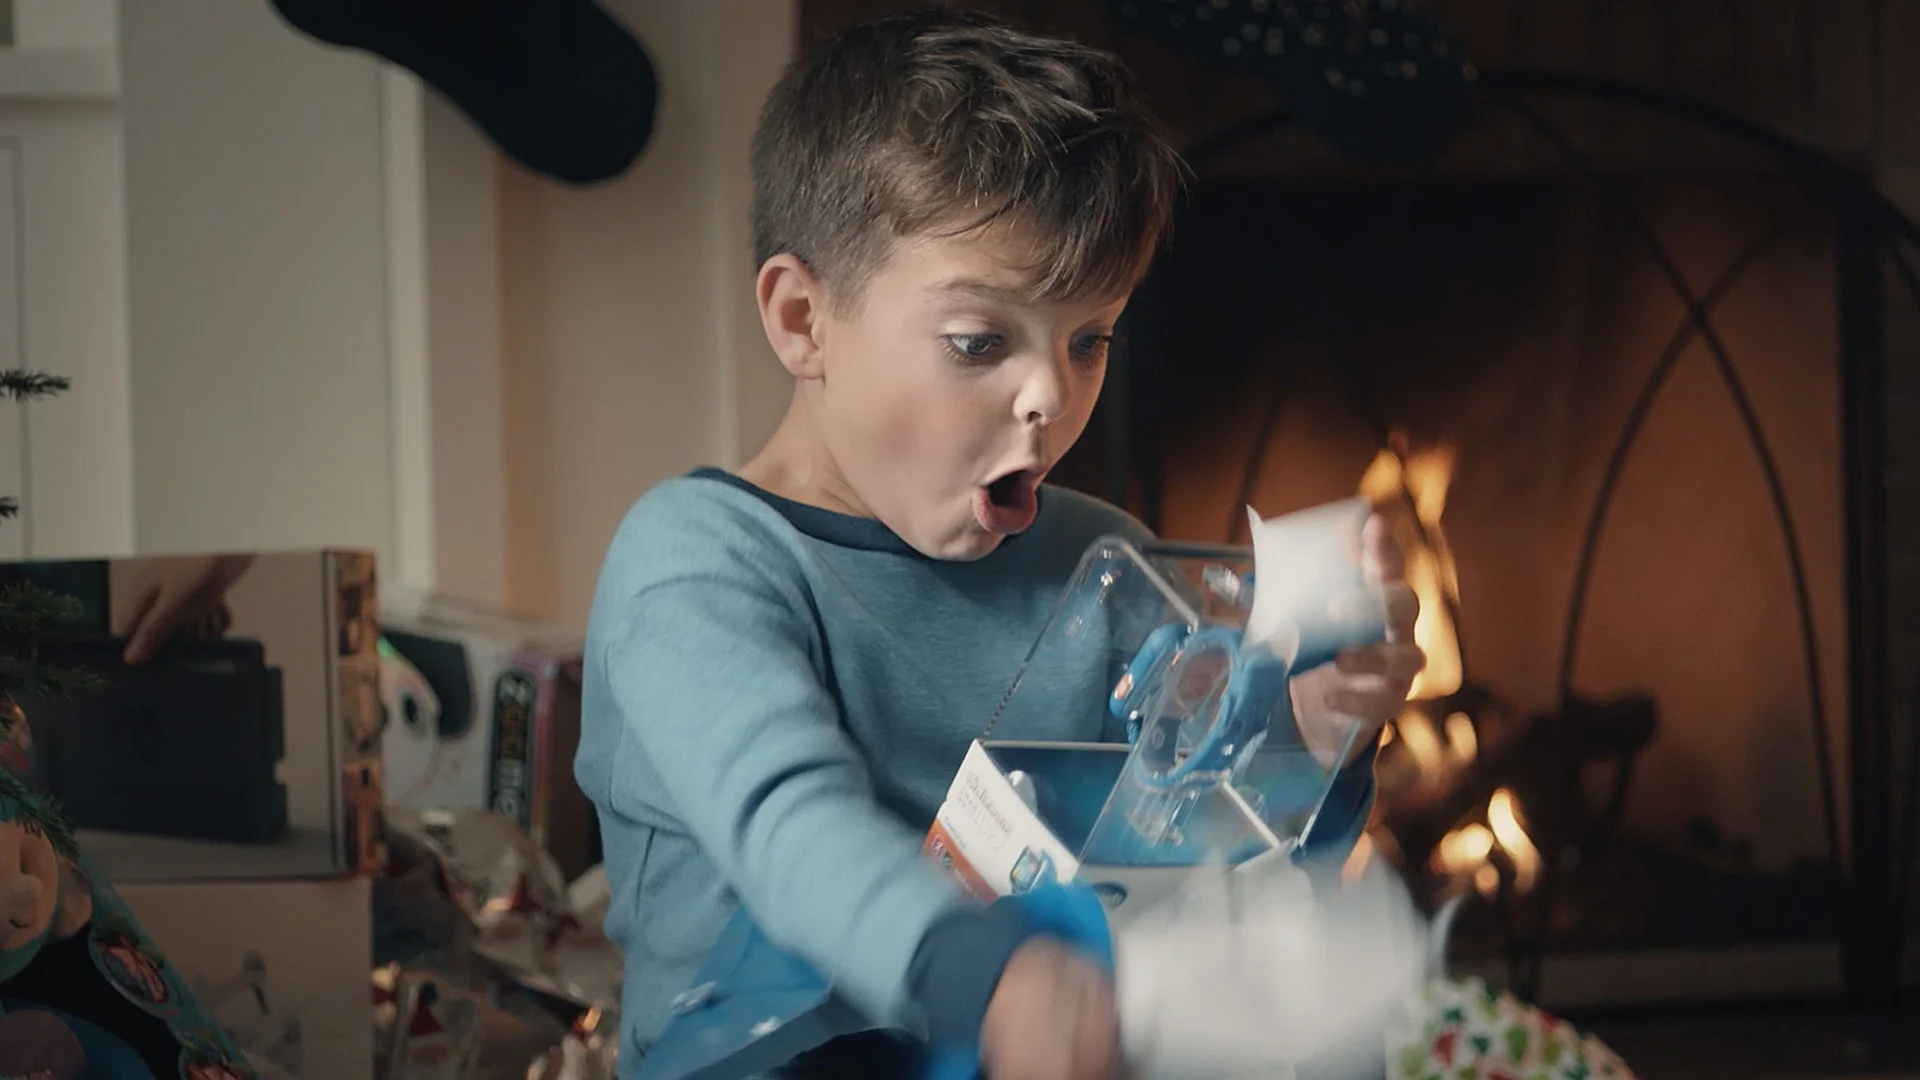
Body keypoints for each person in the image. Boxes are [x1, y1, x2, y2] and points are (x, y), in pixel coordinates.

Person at [573, 9, 1426, 1078]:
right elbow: (787, 827)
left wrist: (1313, 729)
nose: (1051, 396)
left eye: (1090, 340)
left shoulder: (1105, 570)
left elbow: (1223, 864)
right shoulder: (695, 563)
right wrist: (986, 975)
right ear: (802, 320)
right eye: (980, 342)